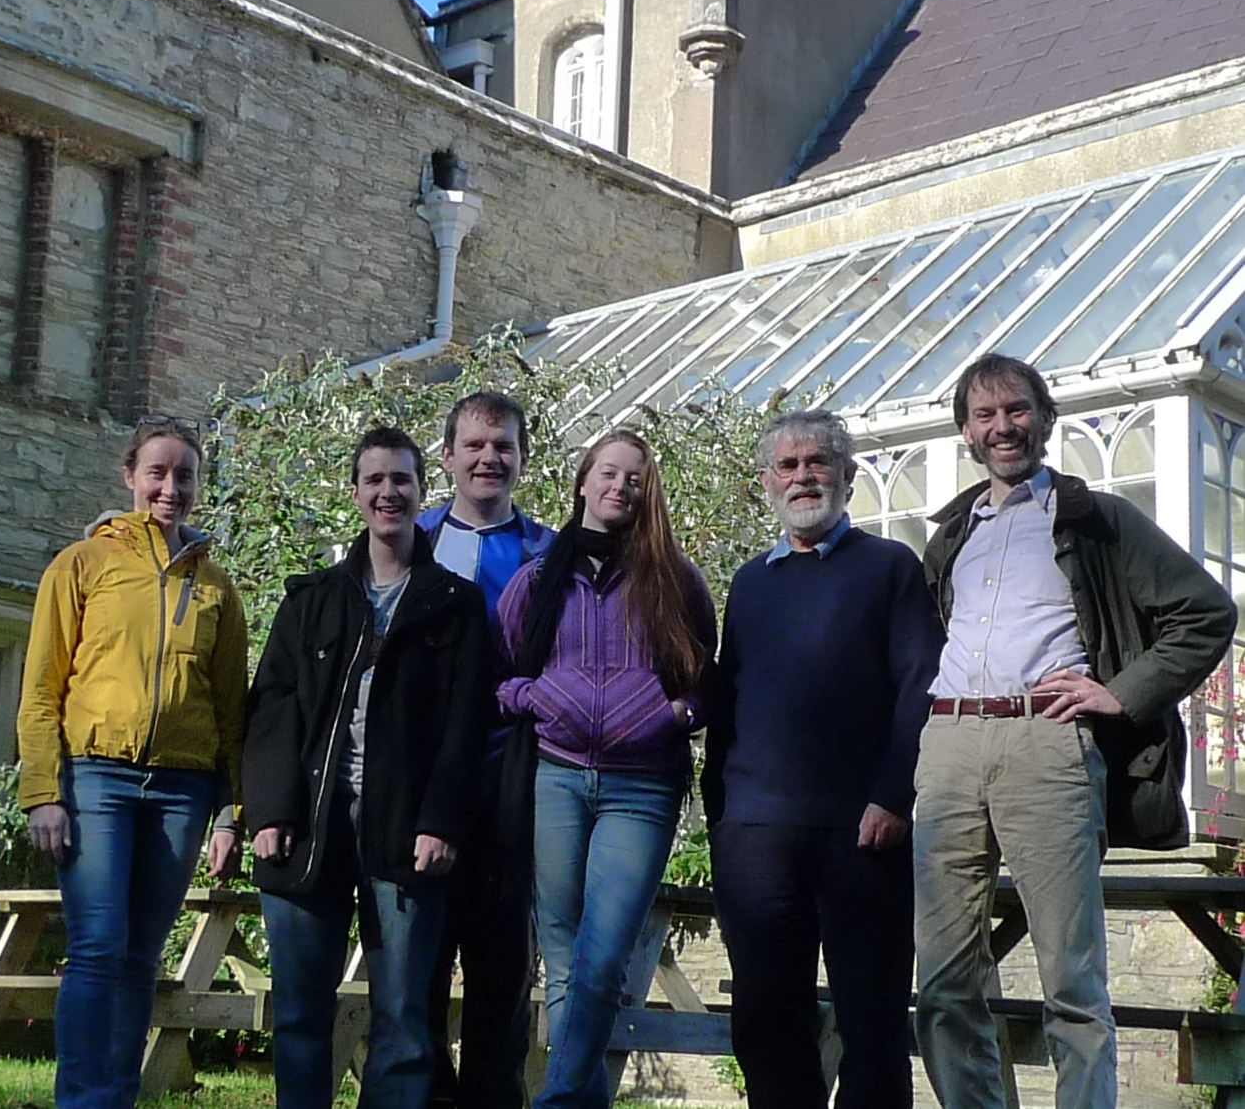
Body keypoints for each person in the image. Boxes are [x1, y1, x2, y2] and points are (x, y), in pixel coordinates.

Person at [913, 355, 1236, 1109]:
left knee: (1071, 978)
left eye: (1017, 410)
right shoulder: (952, 535)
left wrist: (1118, 695)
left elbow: (1206, 613)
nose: (1003, 427)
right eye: (985, 415)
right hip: (948, 747)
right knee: (943, 981)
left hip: (1046, 745)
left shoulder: (1097, 520)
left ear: (1046, 420)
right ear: (966, 432)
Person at [244, 425, 493, 1109]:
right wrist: (269, 811)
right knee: (300, 1013)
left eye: (401, 480)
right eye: (375, 480)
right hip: (308, 829)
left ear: (422, 491)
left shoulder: (455, 605)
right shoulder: (312, 600)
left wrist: (440, 821)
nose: (389, 493)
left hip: (407, 833)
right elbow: (272, 710)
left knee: (405, 1022)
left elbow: (465, 725)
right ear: (356, 494)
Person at [702, 408, 943, 1109]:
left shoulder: (890, 567)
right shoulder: (750, 583)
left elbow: (921, 685)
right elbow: (730, 696)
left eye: (818, 462)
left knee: (872, 1024)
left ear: (847, 474)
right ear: (767, 481)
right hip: (755, 836)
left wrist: (894, 795)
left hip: (862, 833)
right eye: (788, 465)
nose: (803, 477)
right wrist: (721, 815)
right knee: (766, 1021)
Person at [17, 419, 248, 1109]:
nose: (170, 488)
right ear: (130, 477)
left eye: (185, 476)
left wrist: (231, 815)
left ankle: (117, 1097)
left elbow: (233, 712)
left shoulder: (217, 588)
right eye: (157, 473)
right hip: (96, 780)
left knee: (142, 955)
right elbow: (41, 688)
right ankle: (85, 1100)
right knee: (97, 948)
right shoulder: (81, 565)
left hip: (183, 789)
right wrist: (42, 793)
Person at [495, 430, 716, 1109]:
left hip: (641, 788)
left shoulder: (675, 580)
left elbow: (707, 681)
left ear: (649, 495)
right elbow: (500, 674)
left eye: (635, 479)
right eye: (609, 474)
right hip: (556, 779)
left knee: (601, 958)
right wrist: (534, 696)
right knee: (563, 960)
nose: (621, 487)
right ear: (584, 482)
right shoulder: (538, 578)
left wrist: (672, 715)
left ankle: (557, 1102)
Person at [417, 391, 554, 1109]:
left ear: (523, 459)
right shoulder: (410, 540)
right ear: (447, 457)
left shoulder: (548, 552)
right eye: (473, 445)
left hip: (509, 785)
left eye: (503, 446)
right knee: (418, 969)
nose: (488, 458)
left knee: (502, 972)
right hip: (419, 788)